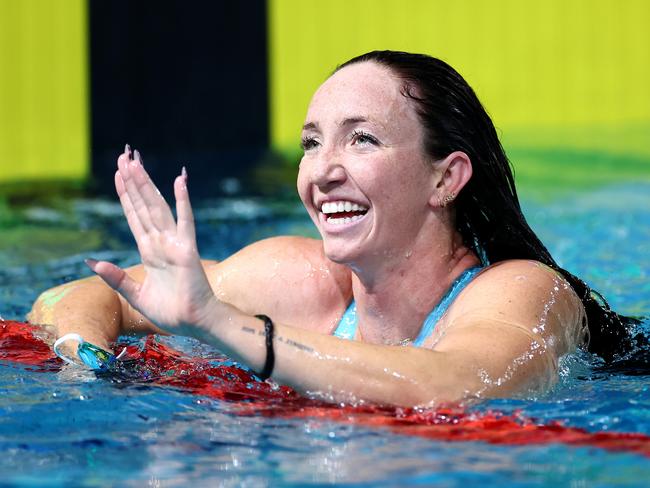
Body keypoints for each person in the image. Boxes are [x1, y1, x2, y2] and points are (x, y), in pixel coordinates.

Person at [28, 51, 634, 407]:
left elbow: (455, 384)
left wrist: (220, 323)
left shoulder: (523, 290)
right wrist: (90, 356)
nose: (324, 171)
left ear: (445, 178)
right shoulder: (303, 283)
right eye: (312, 144)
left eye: (361, 139)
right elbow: (72, 298)